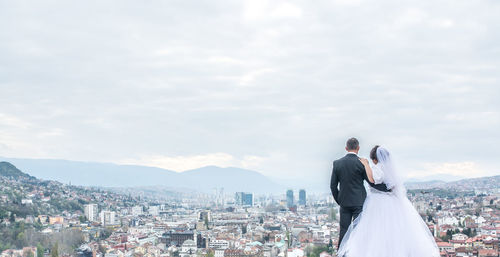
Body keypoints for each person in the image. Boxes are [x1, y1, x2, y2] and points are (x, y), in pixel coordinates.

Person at [337, 145, 440, 257]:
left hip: (377, 202)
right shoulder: (389, 169)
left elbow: (373, 179)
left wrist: (366, 165)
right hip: (391, 201)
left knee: (376, 229)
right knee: (392, 230)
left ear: (375, 159)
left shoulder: (378, 168)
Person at [330, 138, 391, 247]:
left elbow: (333, 186)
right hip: (359, 202)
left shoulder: (337, 163)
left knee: (344, 230)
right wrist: (388, 190)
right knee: (359, 230)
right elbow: (372, 183)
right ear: (358, 148)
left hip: (344, 202)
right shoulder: (361, 163)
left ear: (346, 148)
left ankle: (341, 253)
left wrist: (339, 200)